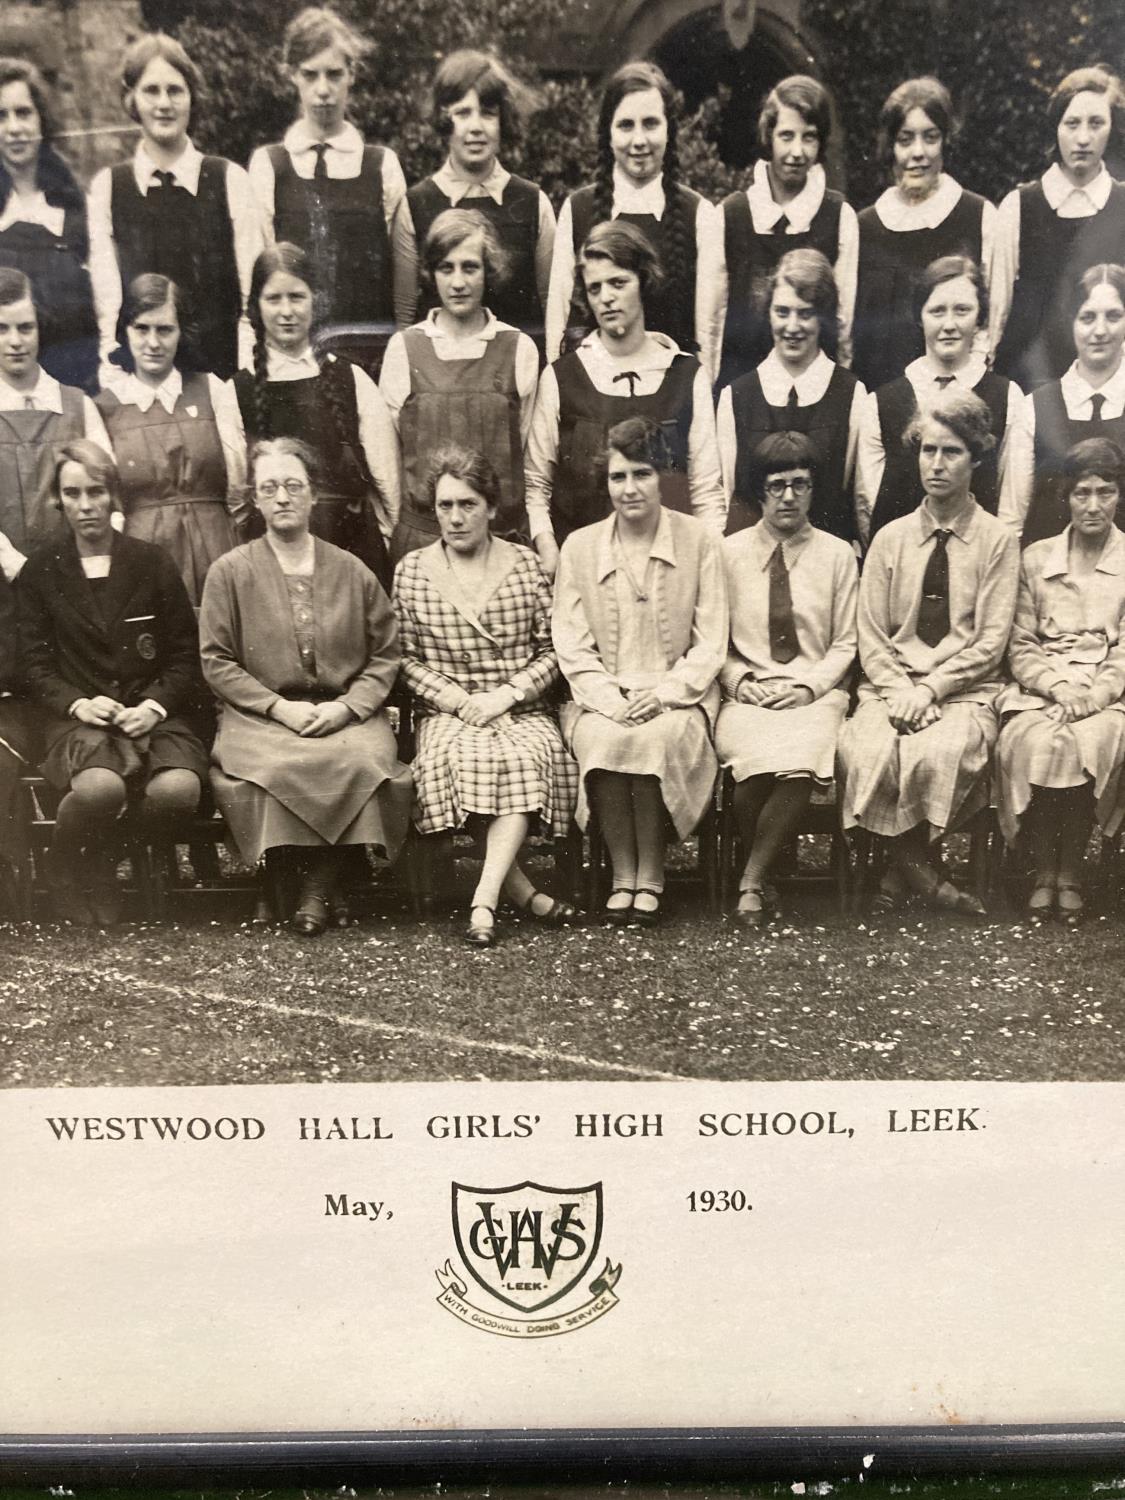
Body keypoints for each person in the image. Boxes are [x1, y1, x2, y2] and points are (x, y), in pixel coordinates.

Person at [200, 437, 411, 938]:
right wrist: (278, 708)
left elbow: (385, 654)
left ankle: (313, 885)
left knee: (361, 761)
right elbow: (217, 660)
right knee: (275, 766)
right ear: (254, 499)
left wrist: (347, 708)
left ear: (314, 495)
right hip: (262, 718)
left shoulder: (352, 569)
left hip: (345, 715)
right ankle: (309, 880)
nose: (282, 497)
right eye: (269, 487)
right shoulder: (229, 573)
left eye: (294, 485)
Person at [837, 389, 1018, 914]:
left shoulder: (997, 541)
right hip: (891, 690)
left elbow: (990, 641)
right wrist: (901, 692)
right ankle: (919, 874)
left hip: (963, 691)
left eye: (952, 452)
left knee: (939, 750)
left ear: (976, 458)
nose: (936, 464)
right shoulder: (891, 539)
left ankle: (901, 870)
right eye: (927, 450)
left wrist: (933, 688)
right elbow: (871, 634)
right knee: (865, 749)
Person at [393, 445, 578, 947]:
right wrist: (457, 702)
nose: (455, 518)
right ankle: (522, 896)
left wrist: (509, 695)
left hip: (519, 708)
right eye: (445, 506)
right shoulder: (413, 570)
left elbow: (554, 649)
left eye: (468, 505)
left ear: (492, 508)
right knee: (459, 758)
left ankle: (484, 898)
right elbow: (404, 660)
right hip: (448, 711)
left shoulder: (525, 564)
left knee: (522, 757)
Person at [18, 439, 206, 925]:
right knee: (101, 791)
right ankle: (66, 865)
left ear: (113, 496)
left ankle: (106, 857)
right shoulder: (42, 569)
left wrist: (155, 707)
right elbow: (34, 664)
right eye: (73, 494)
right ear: (59, 500)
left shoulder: (152, 561)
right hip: (79, 721)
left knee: (178, 792)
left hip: (152, 716)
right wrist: (79, 704)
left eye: (96, 492)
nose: (85, 506)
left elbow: (186, 655)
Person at [552, 416, 728, 926]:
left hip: (680, 696)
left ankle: (651, 872)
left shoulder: (699, 541)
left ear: (663, 476)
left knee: (657, 741)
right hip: (600, 696)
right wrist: (609, 699)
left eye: (643, 474)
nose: (630, 489)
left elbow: (710, 640)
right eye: (618, 477)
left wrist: (668, 694)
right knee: (605, 741)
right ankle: (621, 872)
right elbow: (572, 644)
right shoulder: (580, 547)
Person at [525, 220, 725, 581]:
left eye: (618, 283)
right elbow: (536, 484)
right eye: (595, 288)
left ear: (643, 281)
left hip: (671, 573)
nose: (607, 297)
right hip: (584, 573)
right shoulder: (562, 377)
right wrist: (550, 551)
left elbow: (706, 491)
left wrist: (706, 569)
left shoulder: (685, 375)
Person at [717, 431, 857, 928]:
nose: (790, 497)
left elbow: (846, 642)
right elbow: (717, 639)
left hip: (813, 695)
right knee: (750, 775)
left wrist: (809, 688)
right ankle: (763, 871)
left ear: (815, 490)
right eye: (777, 486)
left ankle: (751, 879)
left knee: (799, 761)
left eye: (801, 484)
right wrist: (739, 683)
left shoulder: (838, 555)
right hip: (749, 694)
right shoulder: (727, 554)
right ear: (760, 491)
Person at [995, 437, 1125, 927]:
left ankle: (1069, 869)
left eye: (1105, 492)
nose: (1093, 505)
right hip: (1043, 691)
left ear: (1118, 495)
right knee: (1033, 738)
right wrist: (1056, 687)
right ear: (1066, 497)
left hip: (1105, 694)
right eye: (1082, 493)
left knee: (1091, 738)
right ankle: (1042, 868)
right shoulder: (1036, 558)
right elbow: (1020, 643)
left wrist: (1093, 696)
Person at [87, 33, 263, 380]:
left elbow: (252, 297)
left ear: (192, 98)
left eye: (175, 90)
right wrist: (116, 379)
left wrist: (244, 376)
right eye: (151, 90)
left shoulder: (229, 180)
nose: (163, 103)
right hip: (142, 385)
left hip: (222, 379)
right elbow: (108, 306)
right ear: (131, 100)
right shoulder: (109, 187)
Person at [232, 241, 400, 590]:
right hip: (275, 558)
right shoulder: (237, 391)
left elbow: (388, 483)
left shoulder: (351, 379)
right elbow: (237, 499)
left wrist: (382, 548)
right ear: (256, 307)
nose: (286, 311)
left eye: (297, 297)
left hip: (351, 550)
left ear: (315, 300)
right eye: (273, 299)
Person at [379, 208, 538, 562]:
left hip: (502, 544)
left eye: (470, 267)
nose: (458, 283)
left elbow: (527, 455)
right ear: (430, 274)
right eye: (445, 268)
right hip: (423, 546)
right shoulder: (405, 349)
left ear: (489, 271)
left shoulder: (518, 348)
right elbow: (390, 462)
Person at [544, 61, 716, 371]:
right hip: (594, 400)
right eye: (626, 125)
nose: (639, 141)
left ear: (669, 129)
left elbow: (708, 334)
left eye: (650, 124)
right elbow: (557, 320)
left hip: (671, 398)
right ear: (607, 133)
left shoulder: (698, 214)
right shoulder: (579, 209)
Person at [247, 6, 410, 334]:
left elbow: (404, 273)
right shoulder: (269, 165)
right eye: (310, 74)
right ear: (292, 74)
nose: (323, 89)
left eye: (334, 74)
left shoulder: (382, 166)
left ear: (352, 73)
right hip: (294, 348)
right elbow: (258, 272)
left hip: (369, 345)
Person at [95, 274, 245, 605]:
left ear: (181, 333)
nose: (153, 342)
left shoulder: (213, 391)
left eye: (165, 330)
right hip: (144, 559)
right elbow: (110, 504)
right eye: (142, 328)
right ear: (125, 331)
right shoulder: (104, 408)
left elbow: (239, 485)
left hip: (218, 551)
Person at [856, 254, 1027, 541]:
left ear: (980, 318)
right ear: (920, 317)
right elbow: (868, 504)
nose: (949, 324)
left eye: (962, 310)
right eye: (937, 311)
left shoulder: (1007, 397)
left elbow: (1013, 505)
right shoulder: (881, 403)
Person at [709, 74, 858, 390]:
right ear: (768, 136)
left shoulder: (838, 216)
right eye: (786, 136)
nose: (797, 152)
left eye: (809, 137)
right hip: (741, 388)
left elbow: (843, 325)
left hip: (813, 390)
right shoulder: (732, 215)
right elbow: (712, 322)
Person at [396, 49, 555, 340]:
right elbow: (405, 319)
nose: (476, 128)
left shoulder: (533, 203)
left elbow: (552, 310)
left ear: (503, 120)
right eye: (462, 113)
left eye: (488, 113)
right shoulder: (416, 205)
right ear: (444, 120)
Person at [853, 78, 994, 393]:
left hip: (955, 399)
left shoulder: (977, 216)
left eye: (930, 138)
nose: (918, 152)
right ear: (890, 147)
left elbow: (990, 326)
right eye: (905, 139)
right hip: (879, 397)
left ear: (945, 142)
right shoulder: (863, 227)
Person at [716, 248, 865, 544]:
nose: (792, 327)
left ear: (822, 318)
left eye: (806, 313)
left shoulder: (851, 394)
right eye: (782, 312)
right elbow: (728, 493)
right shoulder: (736, 396)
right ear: (768, 313)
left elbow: (856, 495)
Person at [991, 65, 1125, 392]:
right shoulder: (1019, 207)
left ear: (1112, 128)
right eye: (1072, 124)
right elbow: (998, 311)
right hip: (1031, 383)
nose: (1082, 138)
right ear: (1056, 128)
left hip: (1109, 385)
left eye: (1096, 124)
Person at [0, 268, 112, 580]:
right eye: (2, 329)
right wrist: (14, 565)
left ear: (41, 328)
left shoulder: (78, 405)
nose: (15, 341)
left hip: (73, 579)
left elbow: (109, 491)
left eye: (25, 328)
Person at [1003, 263, 1125, 546]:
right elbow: (1013, 516)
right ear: (1070, 321)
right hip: (1050, 580)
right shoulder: (1035, 406)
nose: (1100, 330)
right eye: (1087, 317)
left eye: (1114, 316)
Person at [0, 57, 98, 393]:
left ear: (43, 121)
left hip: (75, 388)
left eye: (24, 113)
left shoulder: (77, 210)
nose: (14, 127)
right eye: (1, 116)